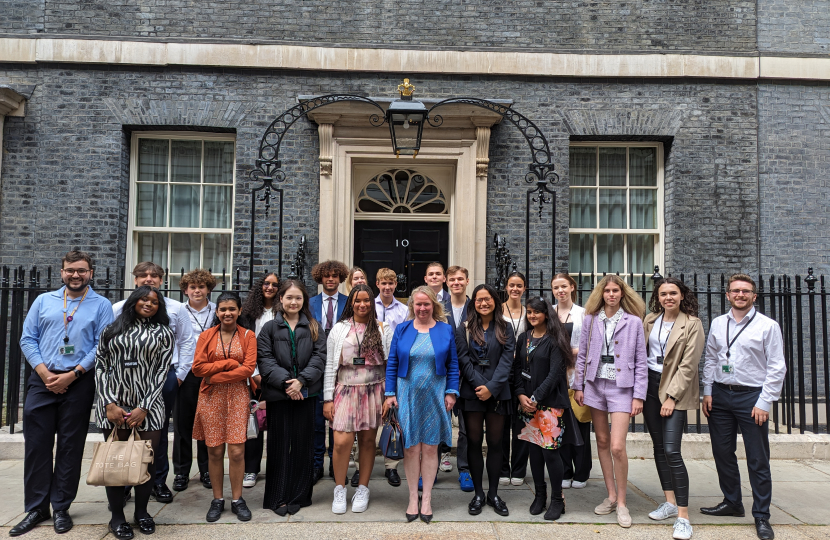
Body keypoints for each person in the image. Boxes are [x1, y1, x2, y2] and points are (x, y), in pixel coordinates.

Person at [13, 251, 114, 537]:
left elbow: (102, 344)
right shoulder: (43, 301)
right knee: (36, 446)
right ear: (62, 272)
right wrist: (45, 373)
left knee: (71, 447)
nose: (75, 275)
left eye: (81, 270)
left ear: (90, 273)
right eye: (70, 270)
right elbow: (27, 338)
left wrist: (73, 374)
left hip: (79, 382)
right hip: (42, 380)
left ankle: (61, 507)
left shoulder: (101, 304)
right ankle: (36, 508)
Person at [700, 274, 785, 540]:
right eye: (735, 291)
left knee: (758, 459)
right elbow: (711, 357)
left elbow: (776, 366)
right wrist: (707, 391)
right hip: (721, 396)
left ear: (754, 296)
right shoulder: (717, 323)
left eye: (745, 291)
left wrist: (764, 401)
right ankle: (732, 502)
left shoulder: (767, 326)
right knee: (723, 453)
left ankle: (761, 515)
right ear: (727, 295)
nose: (740, 295)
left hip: (752, 398)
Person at [94, 286, 174, 539]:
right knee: (116, 463)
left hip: (149, 407)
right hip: (113, 406)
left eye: (155, 301)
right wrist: (108, 403)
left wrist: (144, 406)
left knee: (145, 463)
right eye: (144, 299)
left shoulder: (164, 333)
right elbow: (101, 365)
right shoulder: (111, 330)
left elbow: (162, 371)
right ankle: (117, 517)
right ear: (134, 301)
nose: (149, 304)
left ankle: (141, 512)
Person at [112, 262, 196, 504]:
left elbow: (187, 342)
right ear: (135, 279)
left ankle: (158, 482)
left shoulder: (177, 308)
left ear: (162, 280)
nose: (148, 279)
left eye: (154, 276)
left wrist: (179, 375)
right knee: (127, 429)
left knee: (156, 429)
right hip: (126, 378)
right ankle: (126, 483)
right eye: (143, 275)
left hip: (165, 376)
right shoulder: (118, 308)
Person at [573, 275, 647, 528]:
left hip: (622, 388)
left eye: (616, 290)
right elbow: (581, 355)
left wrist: (639, 395)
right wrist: (578, 387)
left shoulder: (634, 322)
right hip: (594, 385)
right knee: (602, 441)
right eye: (607, 291)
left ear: (623, 293)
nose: (611, 295)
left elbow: (640, 361)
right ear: (601, 294)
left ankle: (624, 503)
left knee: (617, 446)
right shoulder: (591, 320)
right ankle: (611, 496)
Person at [383, 286, 459, 523]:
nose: (422, 308)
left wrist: (451, 392)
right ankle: (412, 498)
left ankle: (426, 498)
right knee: (411, 448)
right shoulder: (402, 329)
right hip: (406, 394)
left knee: (430, 448)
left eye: (427, 304)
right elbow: (393, 362)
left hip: (435, 395)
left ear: (434, 305)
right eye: (418, 304)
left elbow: (453, 364)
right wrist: (389, 393)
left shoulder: (445, 330)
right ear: (412, 306)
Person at [257, 279, 326, 516]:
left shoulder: (314, 327)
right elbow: (264, 360)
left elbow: (319, 358)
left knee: (302, 445)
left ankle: (299, 495)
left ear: (304, 300)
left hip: (306, 394)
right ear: (281, 299)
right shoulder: (268, 328)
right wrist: (289, 384)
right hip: (280, 395)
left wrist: (301, 382)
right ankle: (277, 496)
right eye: (289, 297)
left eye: (298, 298)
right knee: (278, 445)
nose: (293, 302)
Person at [643, 277, 705, 540]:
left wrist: (671, 397)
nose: (668, 297)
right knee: (658, 448)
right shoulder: (649, 320)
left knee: (672, 451)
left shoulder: (692, 324)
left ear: (682, 296)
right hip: (649, 387)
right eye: (663, 293)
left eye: (673, 293)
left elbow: (689, 366)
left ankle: (683, 516)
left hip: (673, 390)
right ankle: (669, 502)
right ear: (657, 297)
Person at [323, 284, 394, 513]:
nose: (362, 304)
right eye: (357, 301)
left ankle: (363, 487)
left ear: (372, 303)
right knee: (342, 442)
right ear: (351, 303)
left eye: (366, 300)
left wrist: (389, 396)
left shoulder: (383, 329)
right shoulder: (339, 329)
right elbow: (330, 366)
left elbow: (390, 365)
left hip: (374, 390)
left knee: (367, 442)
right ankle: (340, 488)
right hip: (345, 389)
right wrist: (327, 399)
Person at [191, 292, 257, 523]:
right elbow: (198, 368)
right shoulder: (206, 336)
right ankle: (217, 499)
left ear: (239, 311)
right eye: (223, 309)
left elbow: (248, 369)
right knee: (215, 450)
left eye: (232, 309)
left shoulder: (248, 336)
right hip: (211, 399)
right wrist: (230, 363)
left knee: (237, 451)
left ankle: (237, 499)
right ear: (217, 312)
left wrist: (215, 376)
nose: (227, 313)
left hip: (238, 395)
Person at [454, 283, 516, 517]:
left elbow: (507, 362)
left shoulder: (506, 328)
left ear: (494, 301)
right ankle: (478, 493)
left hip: (498, 393)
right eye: (479, 300)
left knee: (496, 443)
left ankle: (494, 493)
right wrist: (480, 385)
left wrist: (491, 387)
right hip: (472, 393)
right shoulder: (465, 329)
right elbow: (463, 360)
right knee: (473, 442)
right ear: (474, 303)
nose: (483, 303)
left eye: (487, 299)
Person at [513, 297, 576, 521]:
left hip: (550, 404)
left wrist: (535, 397)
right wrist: (521, 395)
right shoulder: (523, 338)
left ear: (546, 314)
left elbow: (555, 373)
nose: (532, 316)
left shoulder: (555, 339)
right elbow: (517, 368)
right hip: (527, 404)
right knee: (534, 452)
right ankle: (540, 495)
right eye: (529, 312)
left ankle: (557, 499)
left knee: (550, 453)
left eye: (536, 312)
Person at [350, 268, 406, 488]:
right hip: (365, 373)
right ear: (377, 284)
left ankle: (391, 466)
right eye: (383, 283)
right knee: (362, 424)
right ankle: (359, 467)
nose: (387, 287)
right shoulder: (367, 306)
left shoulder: (403, 310)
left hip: (390, 371)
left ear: (395, 285)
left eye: (391, 283)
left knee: (391, 419)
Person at [172, 269, 215, 493]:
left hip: (211, 372)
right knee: (182, 424)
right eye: (192, 287)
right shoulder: (178, 311)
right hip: (185, 372)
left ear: (208, 288)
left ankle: (207, 470)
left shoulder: (217, 310)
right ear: (185, 290)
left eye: (201, 287)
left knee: (208, 423)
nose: (197, 291)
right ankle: (181, 471)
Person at [238, 272, 280, 488]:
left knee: (276, 423)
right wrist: (253, 374)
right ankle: (251, 469)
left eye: (274, 284)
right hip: (252, 373)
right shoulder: (247, 314)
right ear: (259, 286)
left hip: (278, 374)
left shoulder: (282, 312)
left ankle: (275, 468)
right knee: (253, 422)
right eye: (266, 283)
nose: (270, 287)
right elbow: (245, 347)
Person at [309, 260, 349, 483]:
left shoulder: (348, 302)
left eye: (335, 275)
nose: (331, 279)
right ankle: (316, 464)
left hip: (341, 366)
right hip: (316, 365)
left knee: (338, 419)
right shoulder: (310, 302)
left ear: (341, 278)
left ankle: (337, 463)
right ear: (320, 278)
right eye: (327, 276)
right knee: (317, 419)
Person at [551, 273, 591, 490]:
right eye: (556, 287)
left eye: (564, 286)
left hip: (577, 376)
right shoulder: (549, 312)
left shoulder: (583, 314)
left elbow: (590, 344)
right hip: (556, 378)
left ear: (572, 287)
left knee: (581, 425)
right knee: (560, 425)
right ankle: (565, 470)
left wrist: (569, 351)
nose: (560, 291)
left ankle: (582, 472)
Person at [441, 266, 472, 491]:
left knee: (466, 428)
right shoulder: (438, 307)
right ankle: (433, 466)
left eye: (460, 279)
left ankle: (465, 469)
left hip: (469, 375)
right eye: (452, 279)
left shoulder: (476, 306)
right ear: (446, 281)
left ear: (467, 281)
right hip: (442, 373)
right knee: (438, 422)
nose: (456, 282)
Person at [500, 271, 529, 487]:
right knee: (501, 425)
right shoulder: (498, 311)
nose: (515, 289)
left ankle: (518, 469)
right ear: (506, 287)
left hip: (524, 373)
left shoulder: (530, 313)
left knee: (521, 424)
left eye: (519, 286)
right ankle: (502, 468)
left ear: (524, 288)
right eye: (512, 285)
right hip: (502, 372)